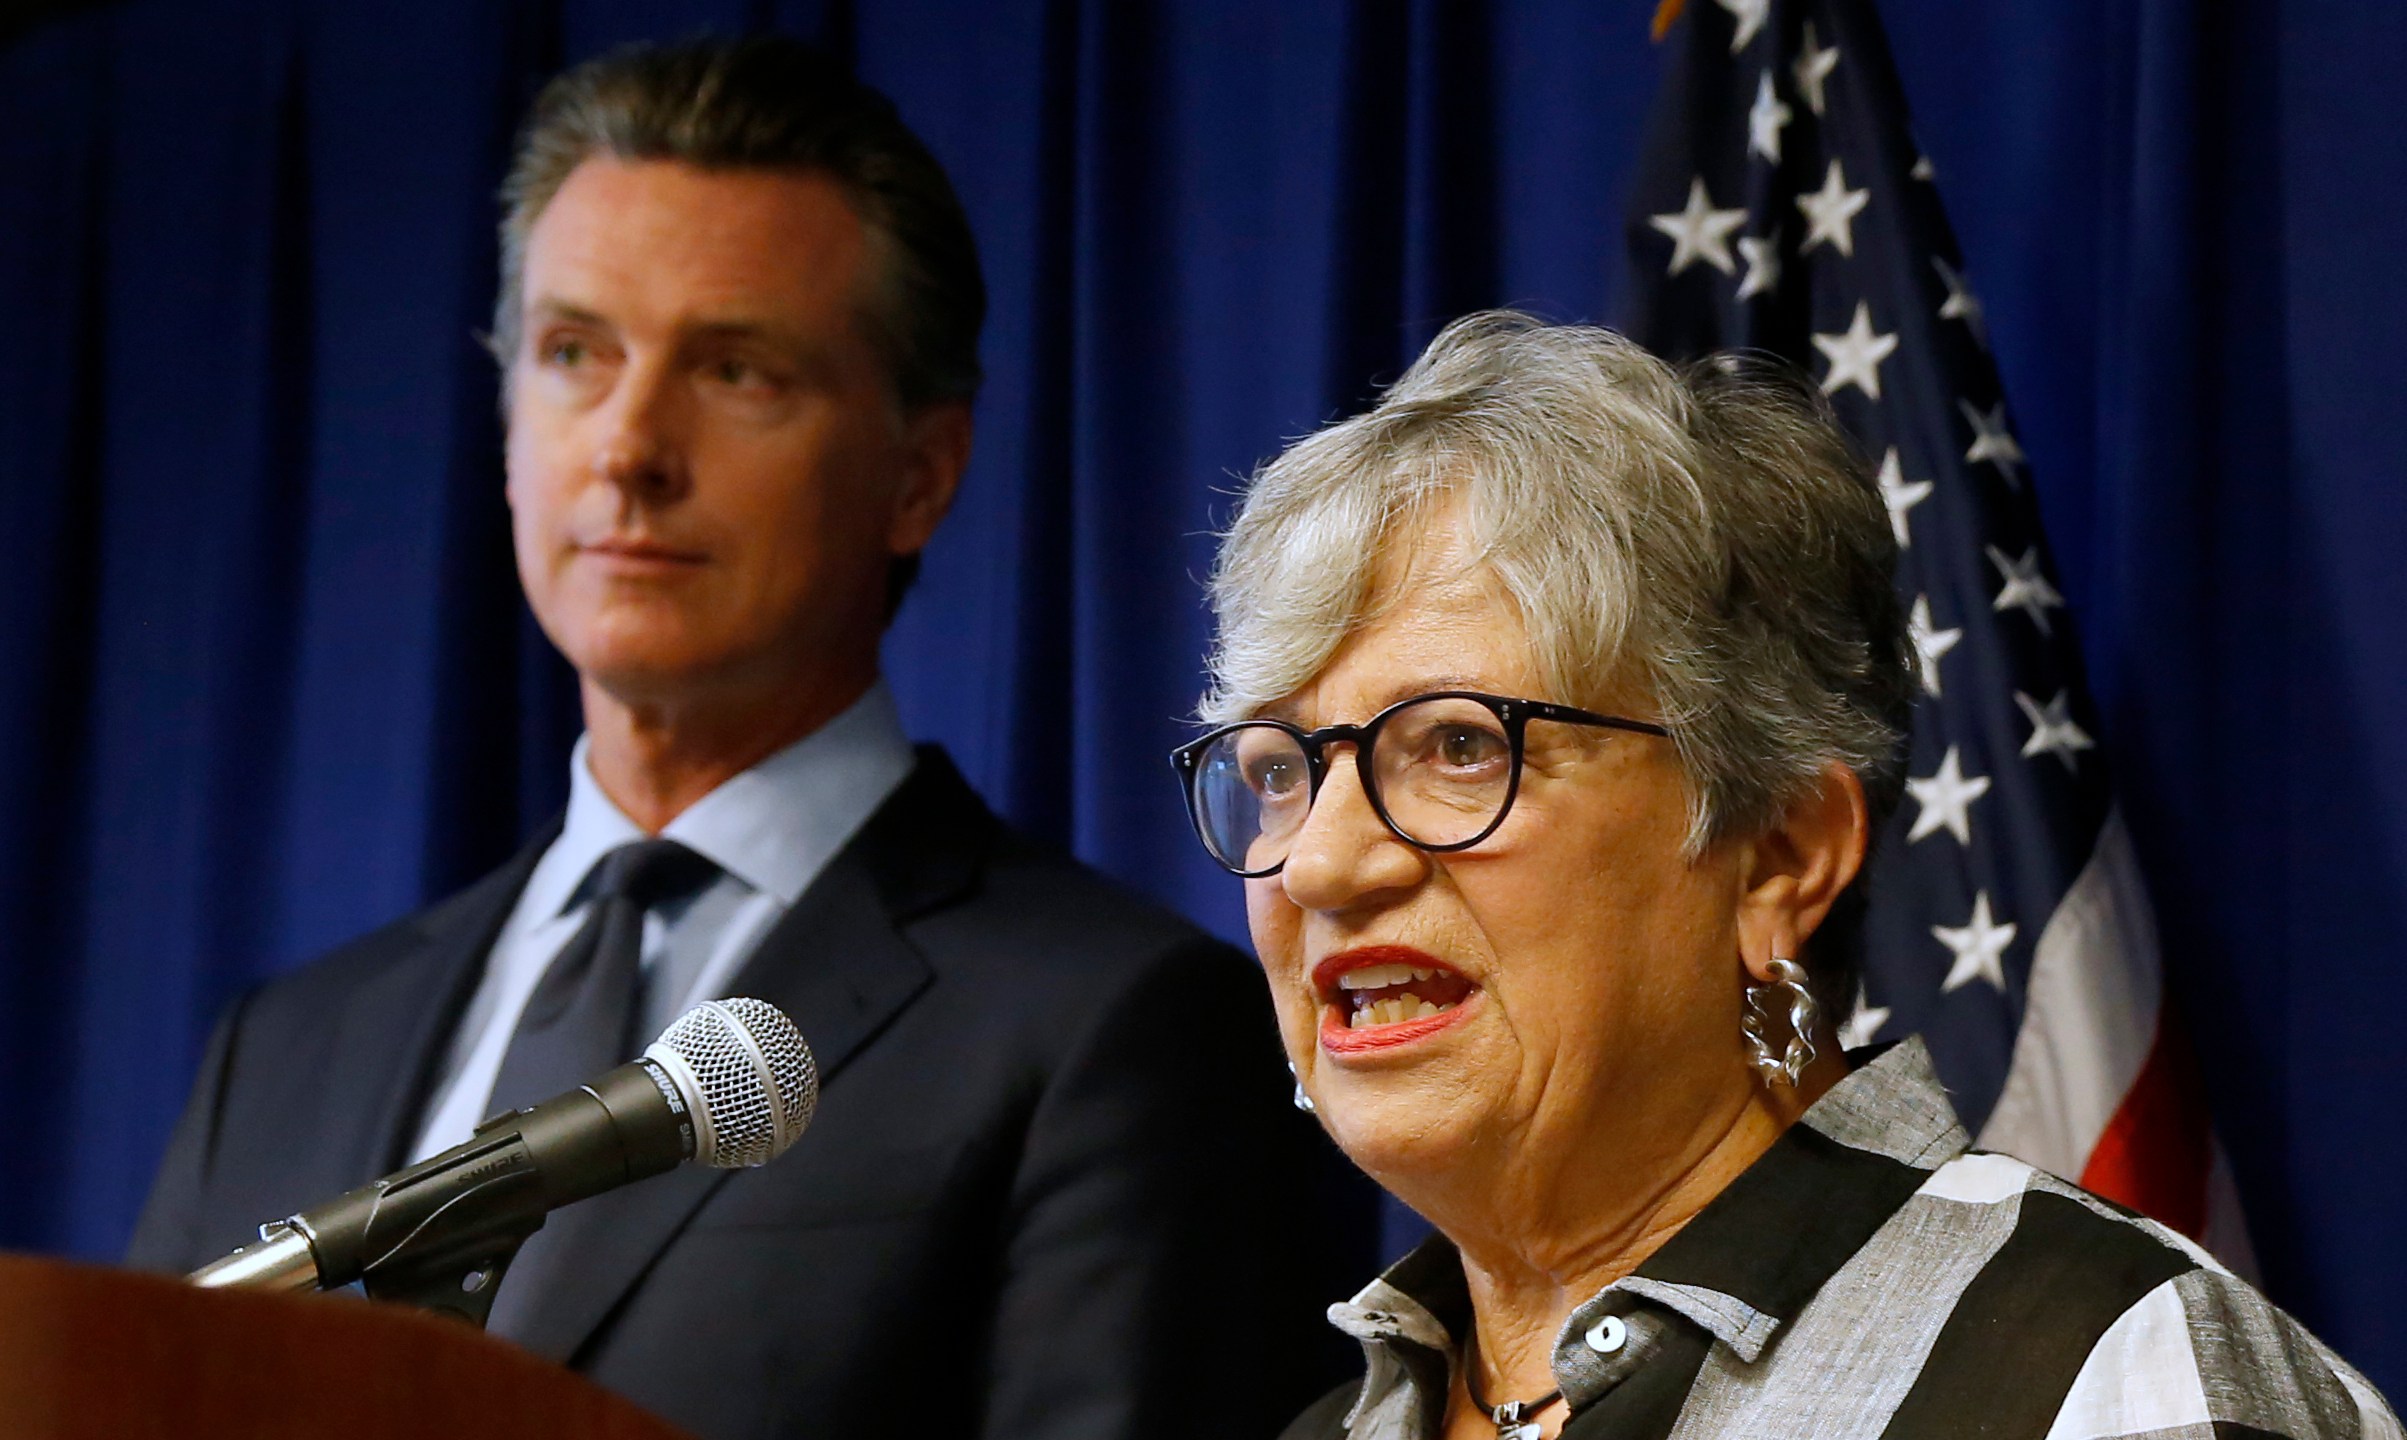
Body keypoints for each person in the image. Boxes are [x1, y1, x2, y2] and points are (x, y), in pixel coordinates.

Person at [128, 36, 1350, 1440]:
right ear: (509, 419)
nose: (629, 448)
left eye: (736, 371)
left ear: (918, 473)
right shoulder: (279, 1048)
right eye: (575, 354)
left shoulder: (1114, 1030)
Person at [1170, 311, 2401, 1440]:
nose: (1323, 859)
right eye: (1280, 768)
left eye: (1456, 747)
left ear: (1779, 853)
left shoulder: (2108, 1380)